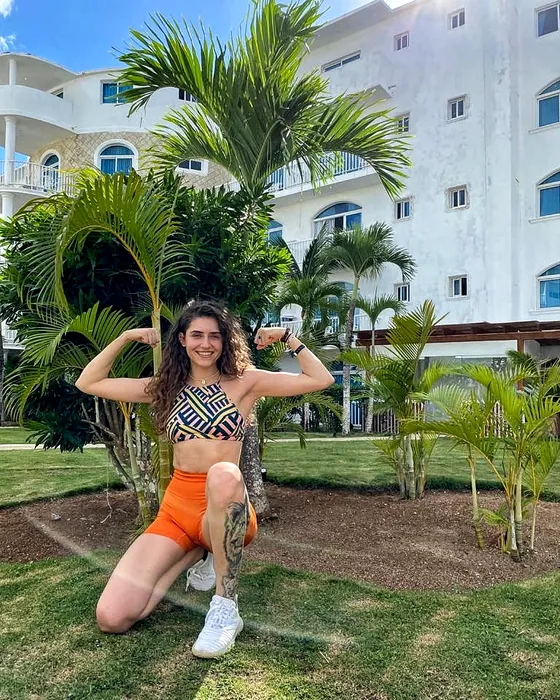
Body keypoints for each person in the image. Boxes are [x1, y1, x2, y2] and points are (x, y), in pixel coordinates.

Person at [75, 299, 334, 658]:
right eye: (197, 335)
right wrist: (125, 338)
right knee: (112, 617)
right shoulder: (165, 387)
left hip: (226, 506)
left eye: (215, 336)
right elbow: (89, 381)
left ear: (225, 341)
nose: (206, 343)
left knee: (223, 473)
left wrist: (288, 337)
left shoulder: (246, 382)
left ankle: (225, 609)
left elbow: (321, 379)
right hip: (177, 509)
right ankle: (198, 551)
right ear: (182, 340)